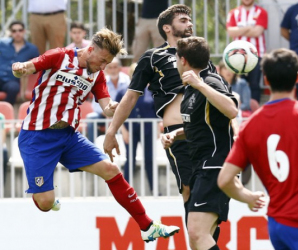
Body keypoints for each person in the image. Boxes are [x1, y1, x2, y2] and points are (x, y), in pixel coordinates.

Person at [11, 27, 179, 242]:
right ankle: (46, 197)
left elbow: (106, 107)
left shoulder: (97, 75)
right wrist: (19, 68)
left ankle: (147, 226)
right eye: (102, 60)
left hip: (69, 137)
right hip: (37, 137)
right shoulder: (59, 56)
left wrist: (116, 106)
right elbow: (27, 67)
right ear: (90, 50)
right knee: (45, 203)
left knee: (111, 169)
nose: (103, 67)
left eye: (107, 63)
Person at [218, 48, 298, 249]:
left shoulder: (251, 124)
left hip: (277, 225)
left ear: (265, 80)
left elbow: (224, 179)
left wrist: (247, 197)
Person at [104, 4, 201, 227]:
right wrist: (112, 131)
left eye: (190, 20)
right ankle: (198, 240)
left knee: (209, 190)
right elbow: (129, 97)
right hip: (177, 135)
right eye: (183, 20)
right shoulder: (152, 57)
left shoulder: (200, 53)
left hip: (206, 130)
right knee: (189, 188)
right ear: (167, 27)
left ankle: (204, 239)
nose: (190, 24)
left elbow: (220, 93)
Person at [161, 36, 238, 250]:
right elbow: (199, 127)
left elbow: (232, 110)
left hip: (215, 166)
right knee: (198, 240)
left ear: (183, 60)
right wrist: (175, 134)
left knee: (196, 232)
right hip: (201, 167)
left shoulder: (210, 81)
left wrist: (201, 85)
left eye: (176, 58)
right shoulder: (191, 88)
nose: (175, 63)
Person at [115, 63, 156, 192]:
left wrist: (157, 127)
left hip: (148, 130)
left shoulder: (151, 91)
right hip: (130, 130)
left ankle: (154, 190)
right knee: (130, 160)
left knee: (149, 159)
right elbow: (117, 112)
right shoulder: (123, 91)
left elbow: (156, 111)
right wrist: (123, 130)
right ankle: (125, 191)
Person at [226, 0, 268, 103]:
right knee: (239, 83)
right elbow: (231, 32)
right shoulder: (233, 12)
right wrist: (249, 28)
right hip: (237, 55)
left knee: (254, 84)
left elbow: (257, 32)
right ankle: (239, 110)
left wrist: (240, 30)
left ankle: (254, 111)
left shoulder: (261, 12)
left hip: (256, 54)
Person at [86, 57, 130, 142]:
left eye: (115, 67)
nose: (113, 70)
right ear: (106, 69)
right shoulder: (102, 81)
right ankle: (92, 146)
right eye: (110, 67)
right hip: (105, 114)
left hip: (124, 114)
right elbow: (95, 105)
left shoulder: (127, 81)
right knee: (90, 118)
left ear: (120, 68)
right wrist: (106, 112)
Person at [0, 20, 39, 104]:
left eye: (20, 30)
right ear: (11, 33)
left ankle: (5, 111)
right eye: (14, 31)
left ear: (24, 31)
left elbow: (37, 65)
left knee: (14, 88)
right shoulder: (2, 44)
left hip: (13, 80)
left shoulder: (32, 49)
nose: (17, 33)